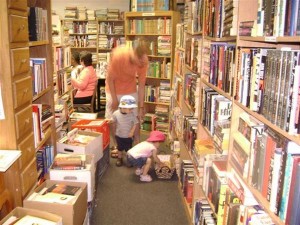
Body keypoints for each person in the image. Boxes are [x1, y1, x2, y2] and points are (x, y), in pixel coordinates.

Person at [105, 40, 149, 149]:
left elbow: (142, 86)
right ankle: (115, 143)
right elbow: (110, 79)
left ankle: (136, 142)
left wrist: (141, 106)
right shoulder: (119, 55)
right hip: (113, 89)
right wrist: (115, 100)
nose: (141, 63)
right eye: (138, 60)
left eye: (142, 60)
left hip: (130, 89)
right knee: (112, 118)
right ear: (132, 53)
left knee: (135, 116)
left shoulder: (143, 61)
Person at [111, 95, 139, 167]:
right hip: (119, 135)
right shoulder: (116, 113)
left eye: (132, 109)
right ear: (123, 107)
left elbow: (136, 123)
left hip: (128, 136)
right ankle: (119, 158)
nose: (131, 110)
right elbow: (113, 121)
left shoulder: (132, 114)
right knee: (119, 149)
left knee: (128, 150)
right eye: (130, 109)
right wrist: (109, 121)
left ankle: (129, 160)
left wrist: (132, 132)